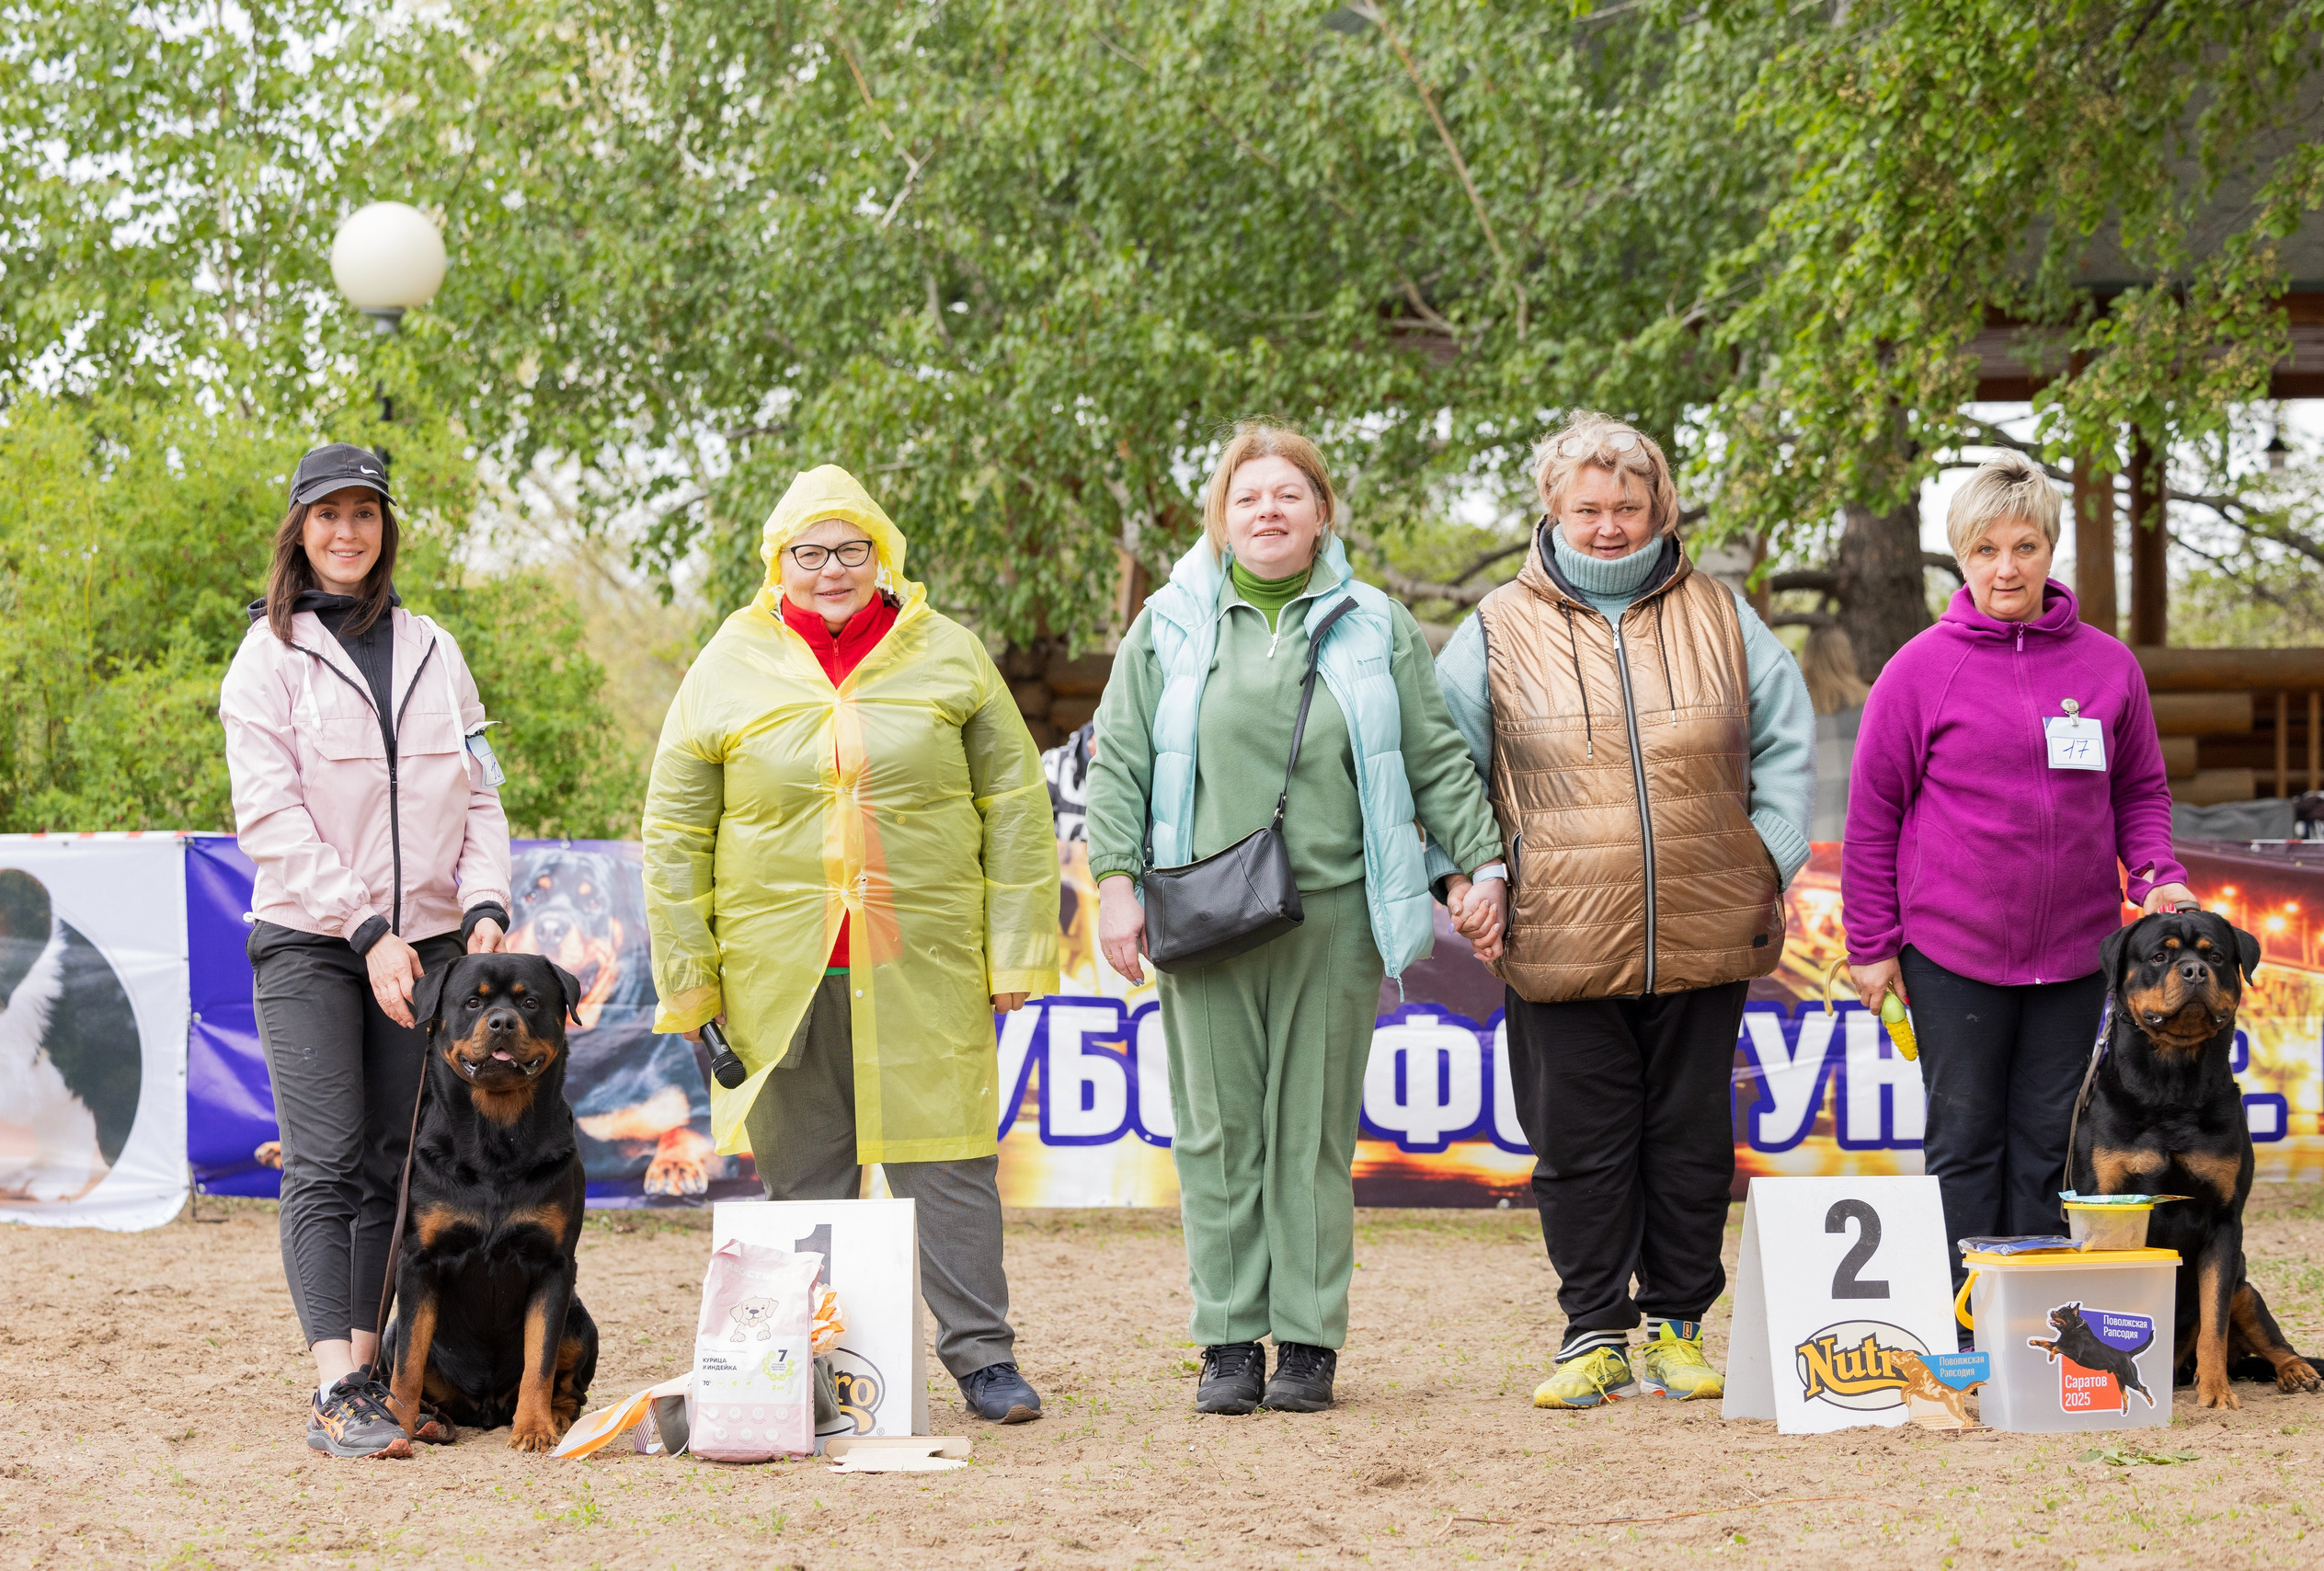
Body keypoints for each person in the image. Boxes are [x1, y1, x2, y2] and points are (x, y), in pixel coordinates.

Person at [1088, 421, 1505, 1416]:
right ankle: (1228, 1340)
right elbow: (1121, 761)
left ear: (1322, 513)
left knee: (1309, 1136)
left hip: (1333, 918)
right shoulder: (1166, 625)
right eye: (1246, 497)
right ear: (1221, 521)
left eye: (1288, 494)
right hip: (1202, 916)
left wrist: (1476, 861)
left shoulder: (1378, 623)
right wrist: (1114, 882)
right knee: (1217, 1133)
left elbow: (1434, 756)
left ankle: (1309, 1341)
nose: (1267, 510)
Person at [641, 464, 1060, 1424]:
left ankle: (983, 1358)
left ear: (883, 554)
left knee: (948, 1163)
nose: (830, 569)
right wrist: (692, 980)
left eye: (850, 548)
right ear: (776, 562)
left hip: (923, 960)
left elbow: (1015, 805)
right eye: (808, 552)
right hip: (775, 972)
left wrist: (1015, 953)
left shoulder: (949, 654)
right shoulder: (728, 662)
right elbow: (672, 833)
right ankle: (805, 1364)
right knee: (803, 1180)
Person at [1436, 412, 1815, 1410]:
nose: (1609, 525)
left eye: (1628, 506)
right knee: (1579, 1142)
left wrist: (1763, 853)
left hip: (1705, 924)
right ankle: (1592, 1332)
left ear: (1660, 508)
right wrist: (1472, 873)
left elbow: (1785, 744)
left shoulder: (1722, 615)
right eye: (1588, 507)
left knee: (1688, 1138)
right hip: (1556, 934)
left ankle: (1680, 1328)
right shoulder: (1491, 627)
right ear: (1552, 511)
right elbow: (1447, 771)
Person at [1843, 452, 2192, 1313]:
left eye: (2026, 546)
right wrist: (1871, 947)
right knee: (1964, 1143)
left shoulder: (2110, 668)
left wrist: (2158, 878)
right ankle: (1958, 1326)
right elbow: (1873, 815)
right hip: (1952, 953)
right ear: (1962, 556)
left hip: (2076, 958)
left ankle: (2029, 1324)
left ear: (2050, 550)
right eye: (1988, 550)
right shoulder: (1919, 669)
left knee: (2050, 1145)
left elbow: (2139, 790)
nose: (2008, 568)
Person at [220, 443, 512, 1460]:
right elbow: (271, 819)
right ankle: (333, 1384)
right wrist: (367, 927)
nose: (346, 532)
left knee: (397, 1165)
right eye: (326, 515)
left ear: (386, 530)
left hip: (425, 944)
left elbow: (482, 792)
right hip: (312, 939)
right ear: (298, 531)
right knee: (328, 1158)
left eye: (364, 514)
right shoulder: (267, 657)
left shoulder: (436, 646)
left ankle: (378, 1377)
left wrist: (481, 901)